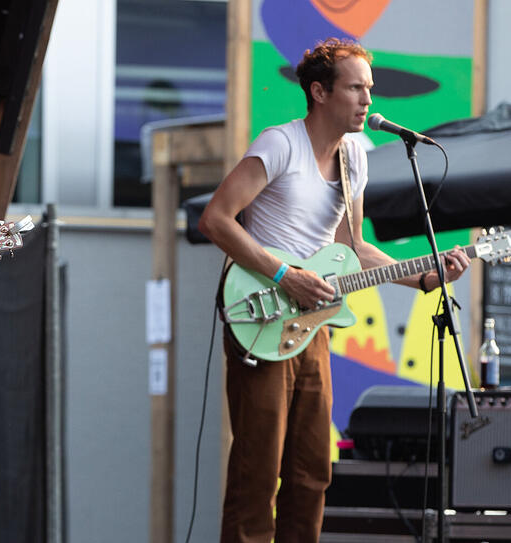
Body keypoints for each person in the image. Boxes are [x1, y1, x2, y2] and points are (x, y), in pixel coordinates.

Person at [198, 38, 470, 542]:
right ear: (320, 92)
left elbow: (354, 247)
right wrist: (286, 276)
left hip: (313, 327)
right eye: (356, 88)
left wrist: (428, 277)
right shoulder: (279, 144)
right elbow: (216, 218)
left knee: (311, 472)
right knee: (258, 471)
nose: (368, 99)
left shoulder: (354, 160)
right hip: (261, 315)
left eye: (370, 88)